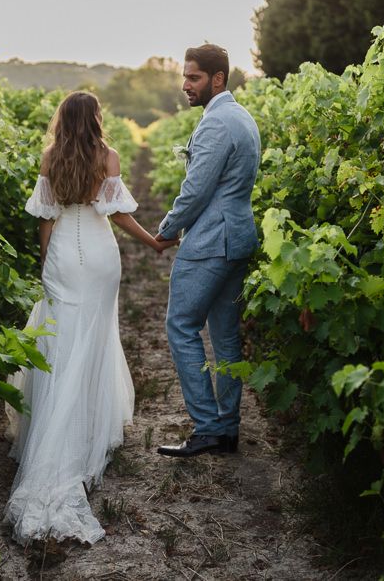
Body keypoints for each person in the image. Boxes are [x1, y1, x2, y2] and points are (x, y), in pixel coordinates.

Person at [4, 91, 177, 545]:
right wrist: (153, 242)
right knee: (95, 339)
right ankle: (82, 436)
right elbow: (116, 214)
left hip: (64, 254)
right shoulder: (108, 156)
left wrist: (46, 263)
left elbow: (45, 219)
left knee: (62, 342)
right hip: (100, 257)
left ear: (63, 119)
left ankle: (54, 435)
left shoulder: (50, 157)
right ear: (97, 118)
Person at [155, 44, 261, 458]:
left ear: (218, 78)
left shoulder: (217, 124)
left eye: (194, 77)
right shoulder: (242, 117)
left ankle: (207, 427)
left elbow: (196, 190)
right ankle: (227, 428)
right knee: (225, 336)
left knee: (180, 326)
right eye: (184, 76)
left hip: (210, 241)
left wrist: (166, 229)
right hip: (238, 237)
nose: (185, 85)